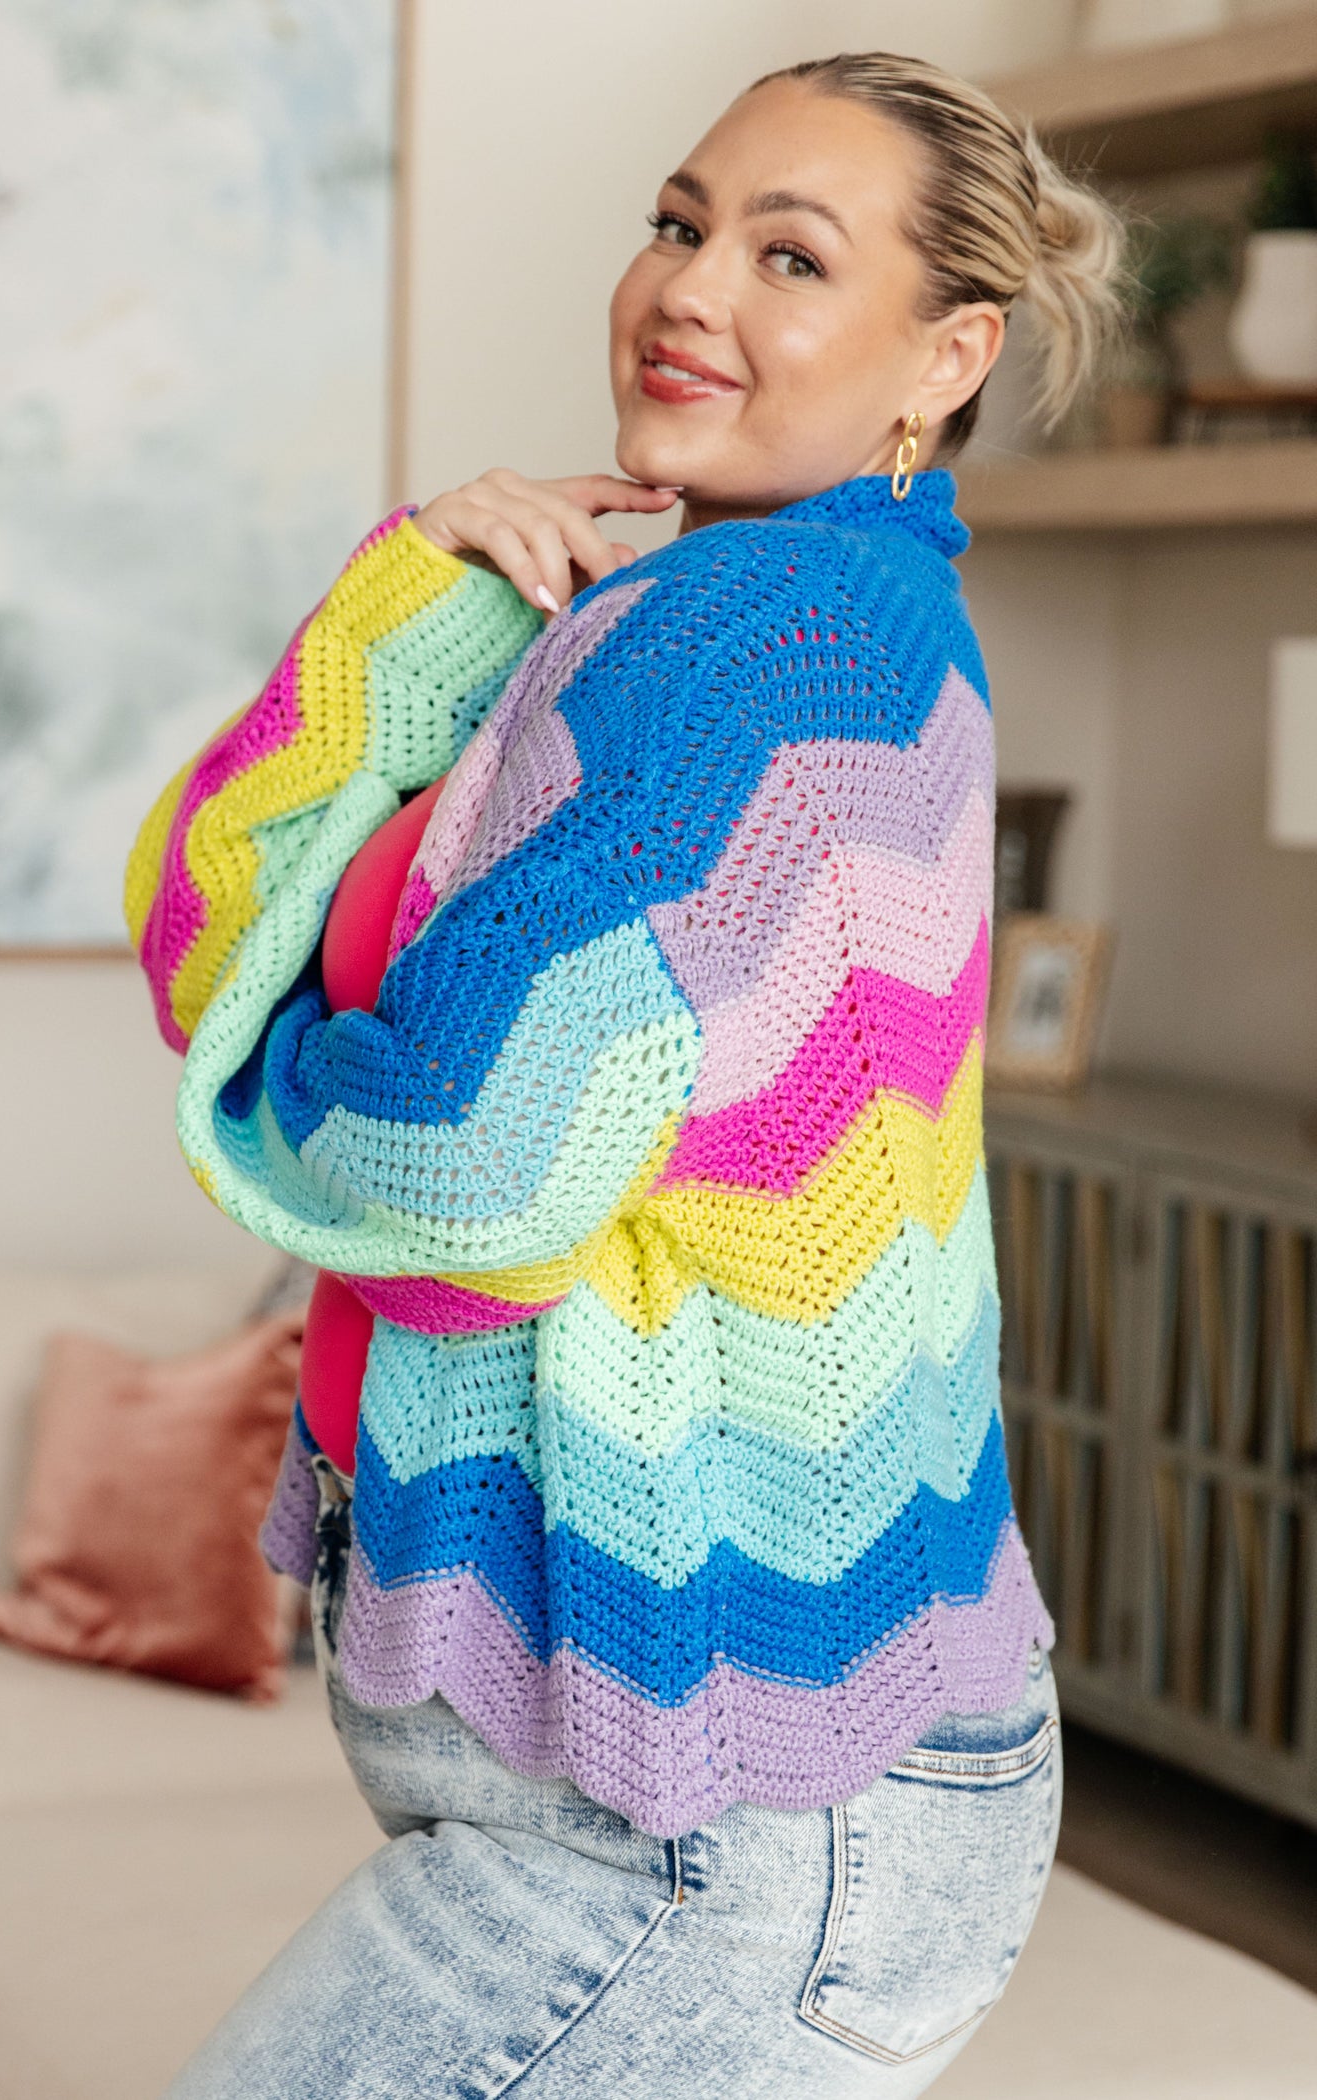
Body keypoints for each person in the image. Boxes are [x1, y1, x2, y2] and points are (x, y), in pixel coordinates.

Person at [129, 51, 1124, 2099]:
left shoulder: (759, 649)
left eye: (791, 256)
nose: (689, 286)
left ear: (947, 356)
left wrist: (266, 1080)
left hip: (712, 1836)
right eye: (679, 222)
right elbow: (193, 906)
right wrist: (411, 607)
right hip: (697, 1787)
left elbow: (467, 1155)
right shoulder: (673, 612)